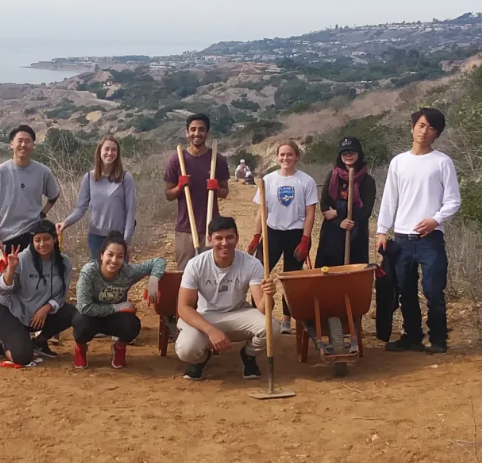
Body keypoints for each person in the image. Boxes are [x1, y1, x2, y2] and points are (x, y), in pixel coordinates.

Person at [377, 108, 461, 354]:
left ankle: (438, 339)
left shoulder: (442, 162)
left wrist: (435, 220)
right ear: (412, 127)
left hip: (430, 239)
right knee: (405, 290)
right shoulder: (399, 162)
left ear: (437, 134)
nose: (425, 131)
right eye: (421, 125)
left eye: (431, 128)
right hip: (402, 238)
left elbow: (453, 200)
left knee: (434, 290)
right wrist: (382, 231)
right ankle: (412, 336)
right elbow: (389, 199)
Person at [176, 216, 280, 381]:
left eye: (230, 237)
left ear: (237, 238)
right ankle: (201, 359)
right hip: (206, 315)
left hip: (238, 313)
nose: (225, 243)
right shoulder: (195, 265)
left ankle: (248, 355)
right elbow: (183, 308)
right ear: (210, 240)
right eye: (219, 238)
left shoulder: (252, 264)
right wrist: (211, 330)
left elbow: (262, 308)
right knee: (186, 349)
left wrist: (269, 295)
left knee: (272, 327)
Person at [246, 140, 318, 334]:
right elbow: (262, 211)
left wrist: (305, 239)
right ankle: (259, 315)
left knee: (291, 278)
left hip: (295, 233)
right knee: (259, 272)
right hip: (272, 232)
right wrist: (256, 235)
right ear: (277, 157)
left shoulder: (306, 181)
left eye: (289, 154)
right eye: (282, 155)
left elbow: (310, 212)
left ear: (297, 157)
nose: (285, 158)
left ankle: (287, 319)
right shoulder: (268, 180)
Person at [72, 231, 166, 369]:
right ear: (101, 255)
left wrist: (153, 279)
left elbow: (159, 261)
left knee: (133, 324)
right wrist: (117, 307)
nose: (114, 260)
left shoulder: (128, 272)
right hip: (90, 316)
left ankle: (119, 348)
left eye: (120, 256)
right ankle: (80, 348)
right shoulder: (89, 272)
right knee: (80, 323)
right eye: (110, 255)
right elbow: (84, 307)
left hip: (113, 319)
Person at [0, 220, 76, 366]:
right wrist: (11, 269)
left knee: (72, 312)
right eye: (37, 240)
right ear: (32, 241)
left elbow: (60, 296)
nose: (42, 244)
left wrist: (46, 308)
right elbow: (3, 289)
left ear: (55, 239)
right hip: (10, 313)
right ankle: (2, 340)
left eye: (47, 239)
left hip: (37, 315)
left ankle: (39, 342)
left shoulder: (64, 263)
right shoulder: (22, 259)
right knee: (23, 357)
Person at [164, 113, 230, 271]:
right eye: (192, 129)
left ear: (207, 133)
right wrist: (179, 187)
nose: (196, 133)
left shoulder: (217, 160)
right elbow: (168, 195)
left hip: (211, 227)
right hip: (185, 228)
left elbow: (225, 192)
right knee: (185, 273)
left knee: (211, 273)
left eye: (201, 129)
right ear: (187, 133)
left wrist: (217, 188)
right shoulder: (177, 160)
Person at [56, 135, 137, 261]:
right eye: (107, 149)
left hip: (118, 238)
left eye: (114, 150)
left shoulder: (125, 178)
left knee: (119, 277)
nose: (110, 153)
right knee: (98, 276)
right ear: (99, 151)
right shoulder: (88, 178)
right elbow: (81, 208)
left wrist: (126, 240)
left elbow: (130, 212)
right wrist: (65, 223)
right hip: (96, 238)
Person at [0, 124, 61, 257]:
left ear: (33, 145)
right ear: (11, 144)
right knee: (7, 277)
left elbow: (54, 194)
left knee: (35, 276)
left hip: (34, 236)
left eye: (28, 141)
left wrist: (42, 214)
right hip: (7, 237)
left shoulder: (43, 171)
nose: (24, 145)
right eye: (20, 141)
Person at [315, 137, 377, 267]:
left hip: (356, 232)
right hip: (332, 233)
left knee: (353, 276)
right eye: (345, 153)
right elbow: (325, 206)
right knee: (328, 274)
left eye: (352, 152)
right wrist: (339, 222)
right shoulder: (332, 175)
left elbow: (365, 212)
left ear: (359, 153)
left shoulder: (368, 180)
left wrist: (338, 212)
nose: (348, 156)